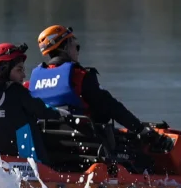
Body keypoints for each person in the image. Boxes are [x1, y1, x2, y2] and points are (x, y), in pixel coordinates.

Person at [29, 24, 167, 166]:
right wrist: (142, 130)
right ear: (64, 47)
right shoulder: (79, 76)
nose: (77, 51)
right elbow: (112, 107)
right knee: (146, 161)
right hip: (88, 149)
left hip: (52, 150)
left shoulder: (32, 82)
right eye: (76, 47)